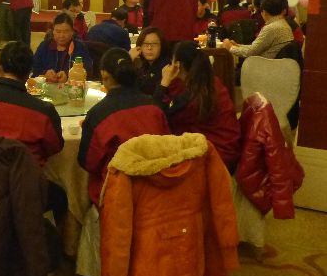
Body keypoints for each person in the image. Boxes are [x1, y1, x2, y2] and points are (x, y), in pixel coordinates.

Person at [0, 40, 67, 219]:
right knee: (60, 196)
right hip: (23, 190)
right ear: (29, 74)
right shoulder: (43, 111)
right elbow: (54, 147)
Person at [78, 48, 169, 206]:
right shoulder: (154, 107)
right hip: (157, 189)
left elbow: (88, 163)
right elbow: (168, 147)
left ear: (104, 75)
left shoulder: (99, 114)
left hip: (117, 195)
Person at [156, 41, 241, 172]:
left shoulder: (195, 94)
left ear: (177, 65)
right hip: (226, 150)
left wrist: (164, 82)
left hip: (217, 158)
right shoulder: (207, 82)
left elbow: (161, 114)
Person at [222, 0, 294, 59]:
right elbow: (256, 48)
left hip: (265, 66)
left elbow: (251, 52)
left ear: (264, 12)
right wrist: (238, 46)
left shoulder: (271, 28)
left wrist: (230, 48)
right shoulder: (282, 23)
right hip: (275, 64)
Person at [32, 13, 92, 82]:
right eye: (58, 31)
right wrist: (45, 73)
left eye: (66, 32)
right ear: (53, 31)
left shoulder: (79, 47)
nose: (61, 36)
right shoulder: (45, 46)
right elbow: (34, 67)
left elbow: (88, 70)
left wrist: (68, 75)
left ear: (72, 32)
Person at [129, 26, 171, 95]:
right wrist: (129, 59)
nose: (149, 48)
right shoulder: (145, 66)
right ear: (139, 47)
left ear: (162, 46)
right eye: (145, 44)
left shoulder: (166, 67)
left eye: (154, 44)